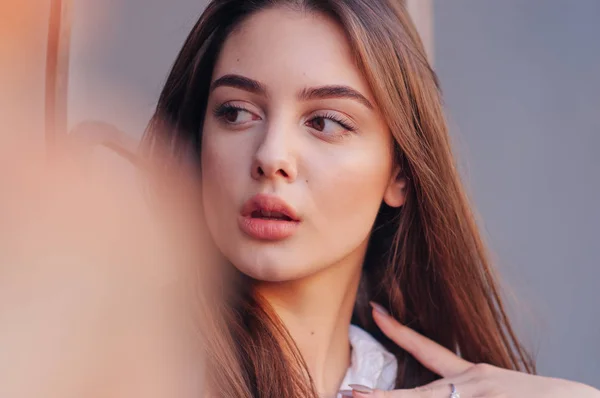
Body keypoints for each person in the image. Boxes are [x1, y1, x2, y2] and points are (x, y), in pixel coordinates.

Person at [142, 0, 600, 397]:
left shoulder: (420, 384)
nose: (271, 156)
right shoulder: (121, 365)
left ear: (398, 173)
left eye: (325, 122)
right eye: (237, 112)